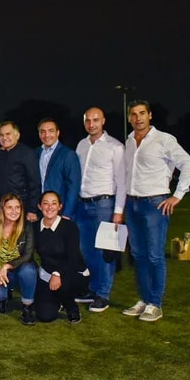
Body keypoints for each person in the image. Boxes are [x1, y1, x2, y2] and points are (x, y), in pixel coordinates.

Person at [122, 100, 190, 322]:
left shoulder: (164, 140)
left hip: (155, 204)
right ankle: (144, 299)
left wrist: (177, 195)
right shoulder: (129, 141)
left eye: (142, 113)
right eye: (133, 114)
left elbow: (189, 165)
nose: (138, 118)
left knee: (155, 255)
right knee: (138, 255)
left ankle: (155, 304)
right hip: (132, 204)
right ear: (129, 118)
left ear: (150, 115)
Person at [74, 107, 126, 312]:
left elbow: (121, 181)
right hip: (82, 204)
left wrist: (118, 211)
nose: (91, 124)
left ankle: (103, 294)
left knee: (104, 252)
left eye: (95, 120)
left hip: (104, 204)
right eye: (88, 120)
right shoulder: (81, 145)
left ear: (103, 121)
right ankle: (93, 289)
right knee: (86, 250)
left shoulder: (115, 147)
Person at [0, 193, 37, 325]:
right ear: (2, 208)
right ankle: (3, 298)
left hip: (17, 271)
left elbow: (28, 255)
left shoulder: (27, 226)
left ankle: (27, 307)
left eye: (17, 207)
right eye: (9, 207)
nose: (14, 211)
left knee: (29, 270)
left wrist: (7, 266)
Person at [34, 190, 90, 323]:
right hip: (48, 274)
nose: (49, 207)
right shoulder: (34, 227)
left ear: (60, 206)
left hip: (73, 273)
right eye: (45, 203)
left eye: (54, 203)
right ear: (39, 206)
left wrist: (57, 273)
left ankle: (71, 306)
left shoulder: (70, 226)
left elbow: (73, 257)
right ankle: (57, 299)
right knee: (45, 315)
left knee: (63, 286)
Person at [0, 121, 40, 224]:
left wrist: (32, 210)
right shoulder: (0, 155)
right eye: (1, 135)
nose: (4, 137)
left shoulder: (27, 154)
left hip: (22, 207)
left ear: (17, 135)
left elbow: (34, 183)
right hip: (4, 207)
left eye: (8, 134)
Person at [37, 118, 81, 220]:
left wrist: (67, 213)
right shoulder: (36, 153)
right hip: (41, 211)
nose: (46, 135)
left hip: (61, 211)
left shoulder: (68, 154)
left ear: (57, 133)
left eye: (51, 131)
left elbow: (74, 186)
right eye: (43, 132)